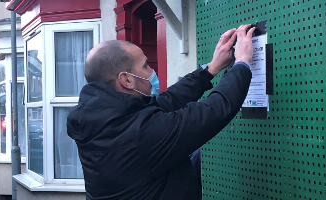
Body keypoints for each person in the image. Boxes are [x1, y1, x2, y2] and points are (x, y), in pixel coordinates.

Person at [67, 24, 255, 200]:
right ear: (127, 80)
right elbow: (213, 111)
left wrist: (211, 69)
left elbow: (165, 102)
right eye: (146, 66)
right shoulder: (139, 134)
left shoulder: (104, 119)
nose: (152, 71)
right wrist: (242, 62)